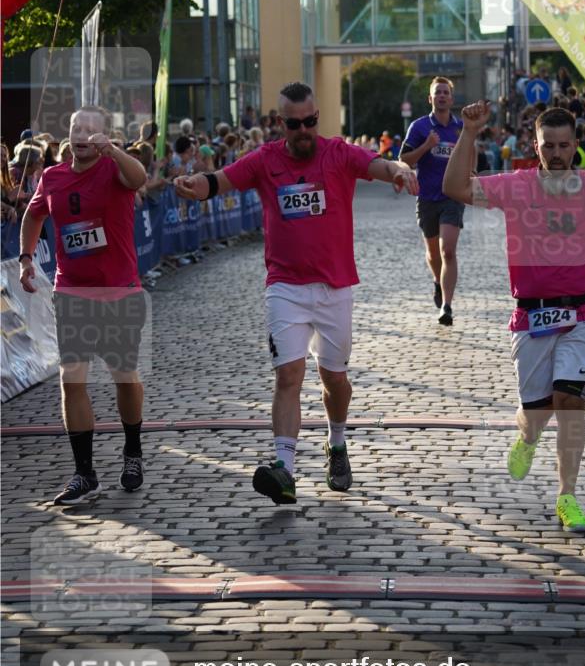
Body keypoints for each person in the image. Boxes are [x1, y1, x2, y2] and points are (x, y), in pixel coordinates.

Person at [175, 81, 418, 505]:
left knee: (335, 380)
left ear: (316, 118)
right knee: (288, 374)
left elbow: (378, 165)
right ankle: (284, 469)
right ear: (280, 123)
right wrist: (197, 185)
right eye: (294, 124)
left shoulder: (338, 153)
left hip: (335, 286)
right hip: (285, 287)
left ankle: (336, 442)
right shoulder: (265, 160)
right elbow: (219, 181)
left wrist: (400, 171)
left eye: (310, 122)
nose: (303, 130)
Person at [444, 104, 585, 534]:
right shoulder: (515, 185)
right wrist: (469, 133)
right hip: (532, 316)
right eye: (550, 146)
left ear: (576, 146)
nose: (558, 153)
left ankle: (567, 495)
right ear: (536, 147)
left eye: (565, 145)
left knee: (570, 399)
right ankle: (527, 436)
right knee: (539, 409)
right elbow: (455, 187)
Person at [19, 105, 148, 506]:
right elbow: (32, 215)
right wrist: (26, 260)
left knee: (123, 375)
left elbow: (139, 177)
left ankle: (132, 451)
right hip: (71, 291)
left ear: (103, 135)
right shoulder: (53, 177)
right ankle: (84, 473)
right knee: (71, 380)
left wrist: (113, 151)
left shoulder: (114, 169)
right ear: (68, 133)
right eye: (77, 128)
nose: (83, 135)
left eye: (91, 130)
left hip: (119, 290)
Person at [399, 76, 466, 325]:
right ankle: (438, 282)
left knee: (448, 250)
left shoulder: (460, 128)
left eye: (445, 92)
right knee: (433, 252)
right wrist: (427, 145)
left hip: (452, 196)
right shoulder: (419, 127)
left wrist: (470, 177)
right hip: (427, 197)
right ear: (430, 98)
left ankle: (446, 306)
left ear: (451, 98)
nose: (441, 96)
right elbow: (405, 159)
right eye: (437, 92)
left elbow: (471, 157)